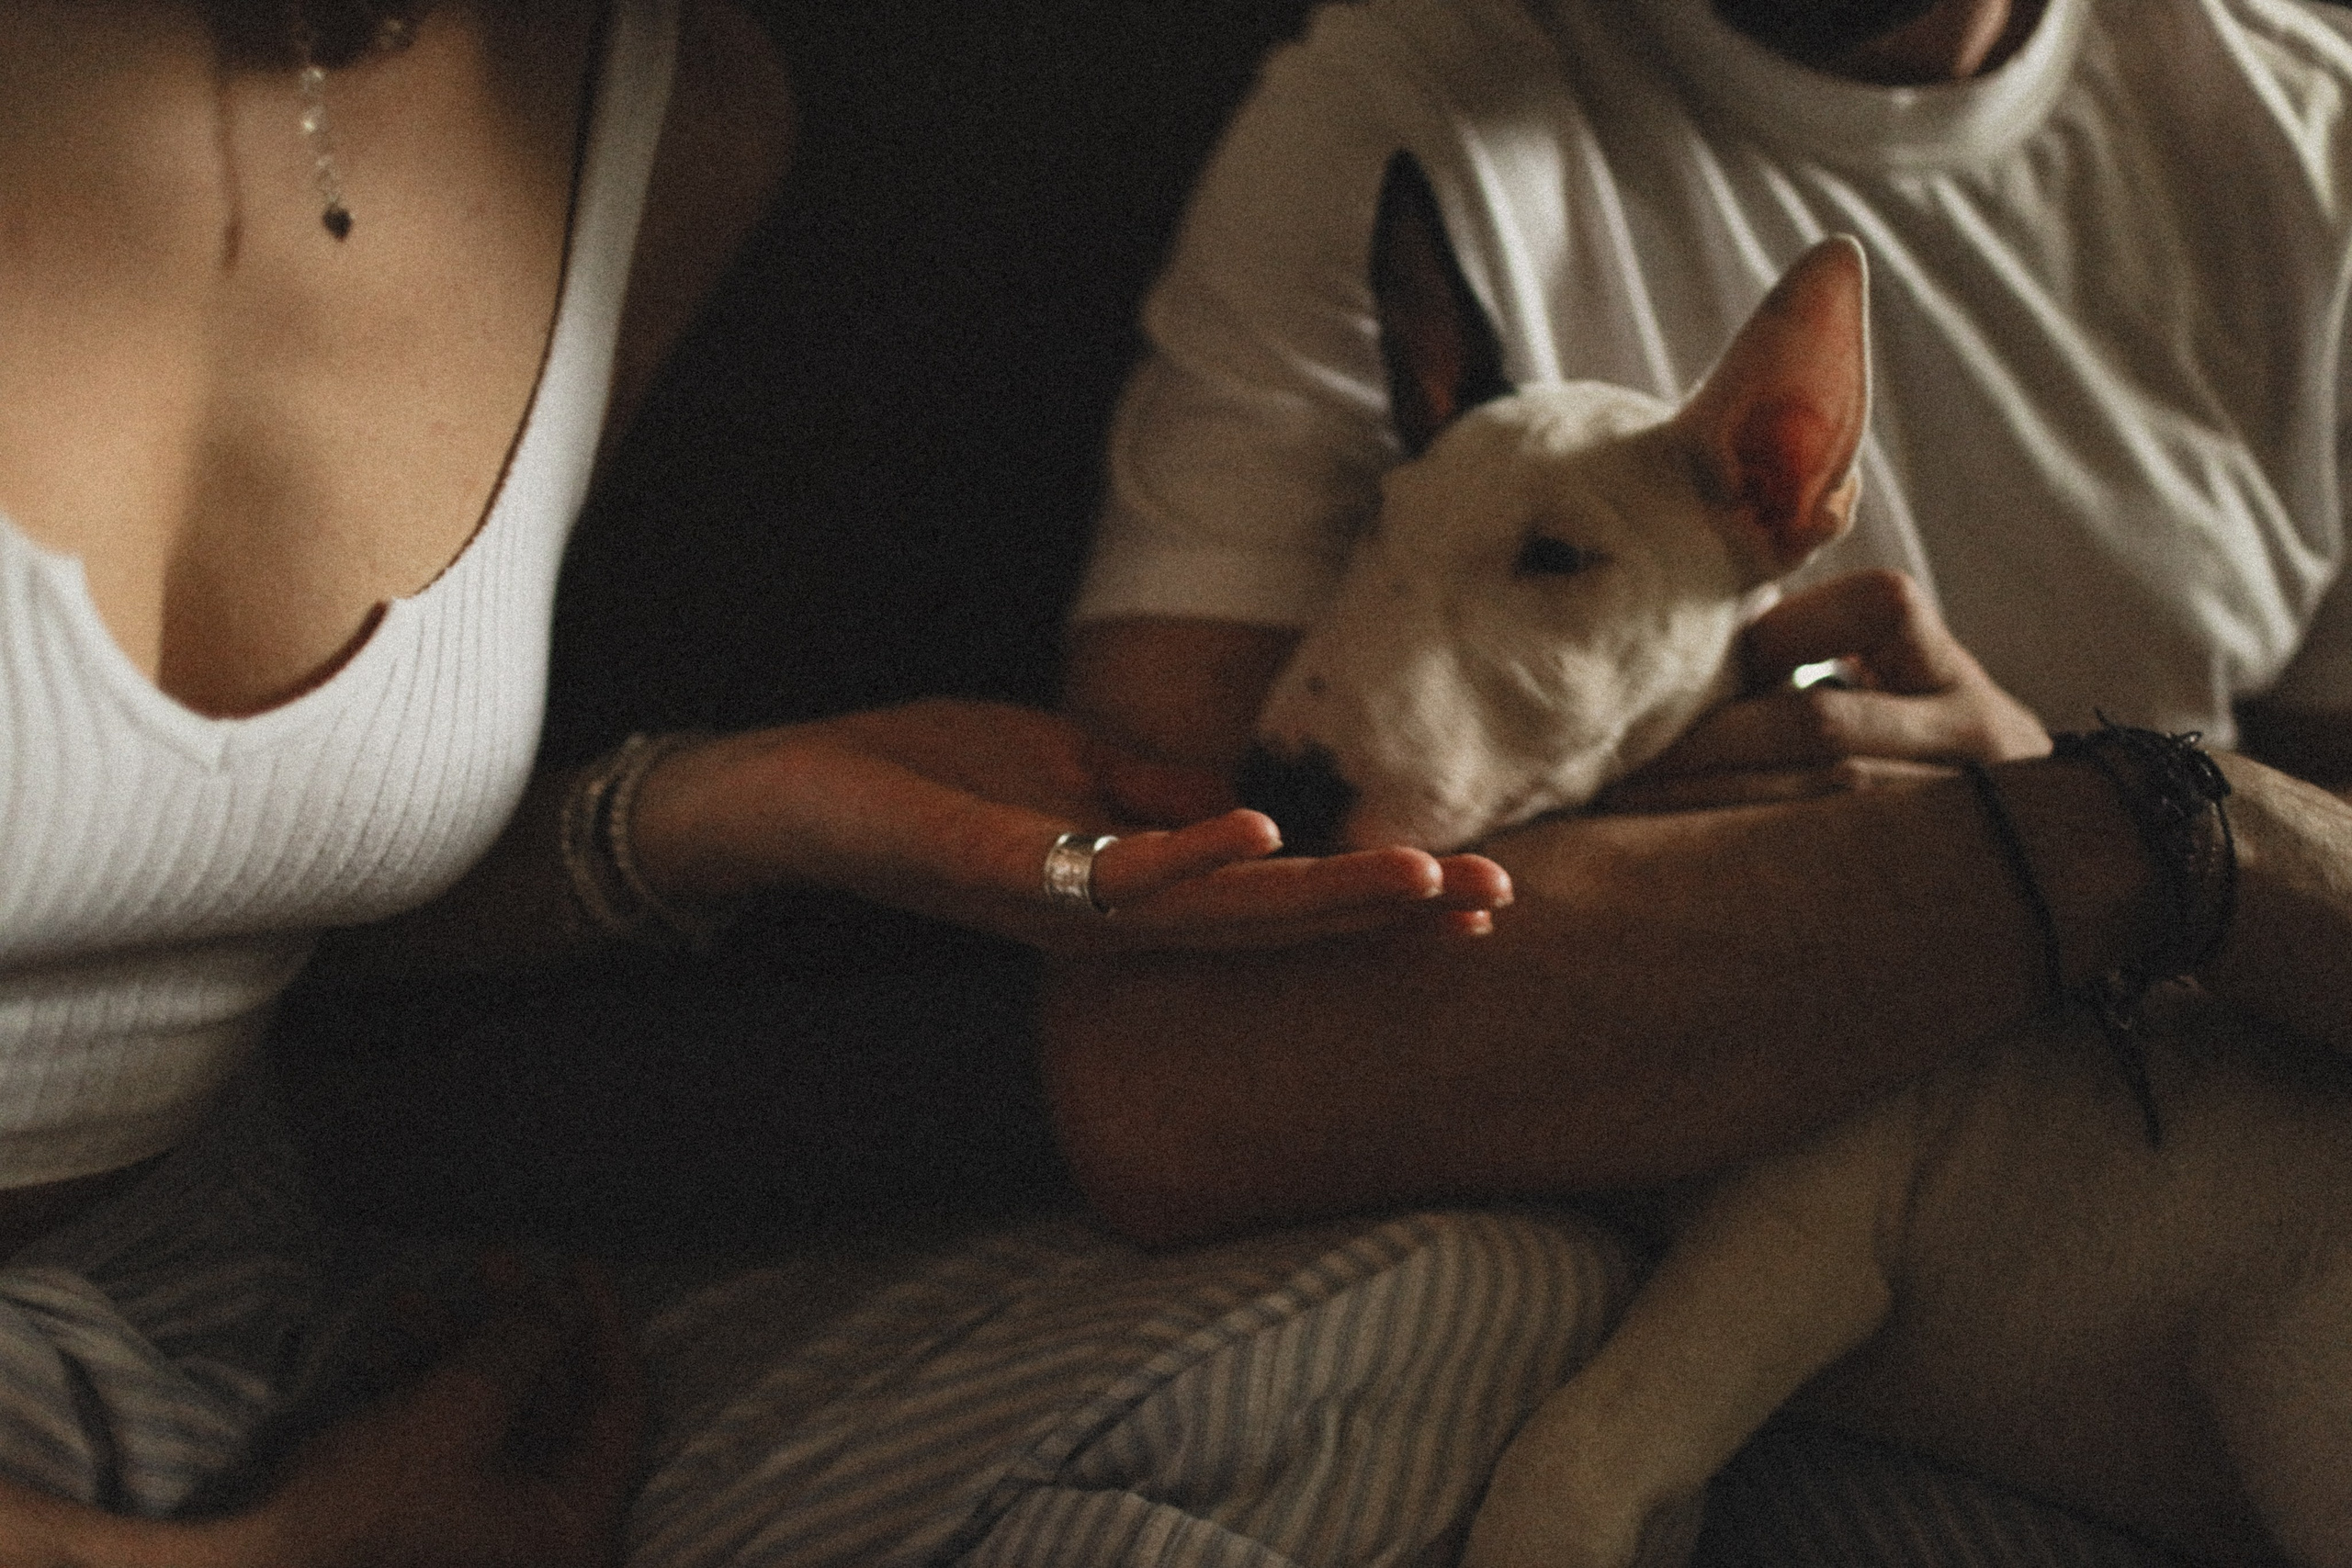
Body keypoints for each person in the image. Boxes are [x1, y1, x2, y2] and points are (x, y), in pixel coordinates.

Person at [0, 2, 1527, 1563]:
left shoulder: (658, 100)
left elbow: (215, 873)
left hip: (242, 1332)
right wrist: (269, 1556)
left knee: (1432, 1316)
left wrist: (764, 806)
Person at [1045, 0, 2352, 1554]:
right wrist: (2060, 848)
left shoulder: (2305, 122)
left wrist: (2141, 824)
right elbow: (1173, 1035)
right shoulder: (1409, 106)